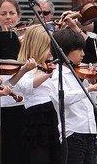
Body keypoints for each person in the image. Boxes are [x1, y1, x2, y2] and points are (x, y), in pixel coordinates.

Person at [50, 27, 97, 164]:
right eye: (79, 50)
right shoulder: (58, 75)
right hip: (72, 132)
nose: (83, 54)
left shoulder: (82, 75)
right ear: (65, 51)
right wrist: (91, 88)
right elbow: (64, 99)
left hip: (90, 131)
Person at [0, 0, 36, 164]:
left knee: (22, 152)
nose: (8, 17)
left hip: (21, 103)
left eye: (11, 13)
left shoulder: (26, 40)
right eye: (3, 14)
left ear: (18, 15)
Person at [15, 25, 60, 164]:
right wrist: (48, 74)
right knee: (40, 156)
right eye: (48, 47)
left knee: (57, 155)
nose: (52, 51)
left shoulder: (51, 66)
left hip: (53, 112)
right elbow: (27, 86)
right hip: (38, 115)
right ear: (38, 47)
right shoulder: (25, 68)